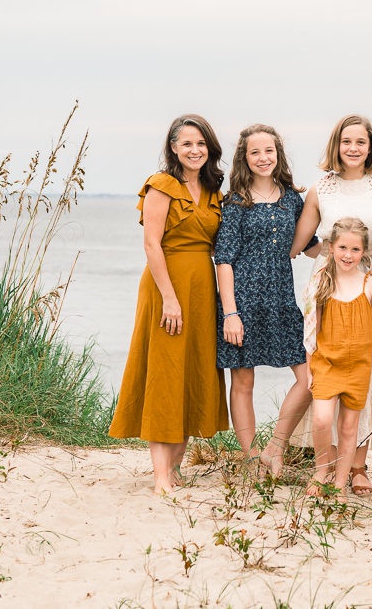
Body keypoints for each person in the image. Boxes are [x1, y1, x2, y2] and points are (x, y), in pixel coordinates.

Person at [110, 116, 228, 494]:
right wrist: (170, 299)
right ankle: (160, 475)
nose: (195, 150)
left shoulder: (213, 190)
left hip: (202, 290)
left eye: (201, 144)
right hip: (167, 289)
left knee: (191, 371)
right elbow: (151, 244)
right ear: (173, 148)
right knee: (165, 373)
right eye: (187, 144)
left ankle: (175, 466)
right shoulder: (162, 185)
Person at [290, 113, 372, 491]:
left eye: (360, 142)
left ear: (370, 147)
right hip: (330, 279)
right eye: (346, 141)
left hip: (371, 278)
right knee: (326, 364)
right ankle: (329, 463)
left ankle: (359, 465)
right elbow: (299, 244)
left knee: (369, 368)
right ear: (337, 145)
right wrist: (333, 258)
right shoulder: (322, 189)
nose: (353, 148)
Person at [213, 124, 309, 468]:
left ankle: (275, 447)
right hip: (241, 302)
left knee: (310, 377)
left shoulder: (292, 198)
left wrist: (352, 254)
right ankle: (252, 457)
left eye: (269, 151)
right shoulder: (235, 202)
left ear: (278, 154)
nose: (263, 158)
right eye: (255, 152)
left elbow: (308, 245)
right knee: (243, 379)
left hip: (281, 300)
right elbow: (223, 259)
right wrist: (230, 314)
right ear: (245, 158)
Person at [302, 220, 372, 496]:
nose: (348, 255)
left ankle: (341, 480)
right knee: (321, 420)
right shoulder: (321, 283)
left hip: (357, 367)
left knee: (349, 425)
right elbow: (311, 329)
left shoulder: (371, 285)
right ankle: (321, 470)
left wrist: (361, 342)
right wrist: (309, 370)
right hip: (326, 364)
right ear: (331, 248)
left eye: (355, 249)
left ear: (364, 252)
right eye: (342, 247)